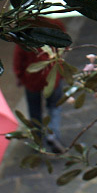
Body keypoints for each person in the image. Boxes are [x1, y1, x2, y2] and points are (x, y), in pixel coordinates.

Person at [13, 17, 67, 153]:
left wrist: (20, 75)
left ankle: (38, 141)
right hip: (52, 76)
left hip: (32, 79)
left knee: (34, 111)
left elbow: (18, 57)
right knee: (54, 107)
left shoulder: (25, 29)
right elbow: (65, 44)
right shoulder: (56, 24)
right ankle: (53, 134)